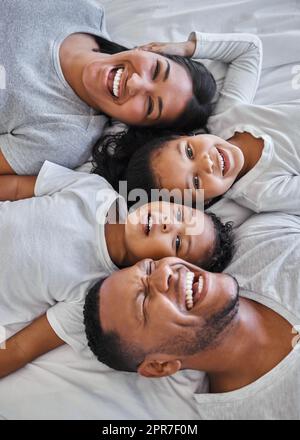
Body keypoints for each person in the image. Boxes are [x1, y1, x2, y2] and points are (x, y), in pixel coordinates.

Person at [0, 161, 233, 379]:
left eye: (178, 242)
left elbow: (21, 348)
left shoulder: (97, 296)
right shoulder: (96, 189)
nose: (168, 223)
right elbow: (17, 188)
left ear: (167, 269)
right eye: (181, 214)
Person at [83, 212, 300, 419]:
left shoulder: (265, 239)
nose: (164, 273)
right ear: (160, 366)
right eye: (144, 301)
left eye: (150, 267)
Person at [0, 0, 220, 177]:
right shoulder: (83, 10)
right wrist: (190, 46)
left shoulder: (64, 139)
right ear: (151, 50)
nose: (134, 83)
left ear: (135, 124)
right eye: (155, 69)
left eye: (149, 105)